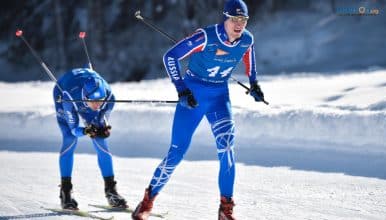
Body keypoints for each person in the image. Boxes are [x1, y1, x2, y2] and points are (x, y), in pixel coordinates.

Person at [131, 0, 265, 219]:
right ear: (225, 19)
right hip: (193, 96)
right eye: (234, 19)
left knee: (227, 148)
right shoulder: (206, 37)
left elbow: (249, 53)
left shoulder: (247, 39)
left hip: (219, 97)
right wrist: (182, 89)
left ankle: (225, 209)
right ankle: (148, 200)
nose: (239, 24)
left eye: (243, 20)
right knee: (177, 152)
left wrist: (254, 83)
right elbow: (170, 57)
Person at [53, 67, 127, 210]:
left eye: (100, 101)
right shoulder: (69, 97)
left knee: (100, 141)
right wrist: (86, 130)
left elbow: (103, 116)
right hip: (64, 89)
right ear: (86, 97)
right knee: (69, 139)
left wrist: (102, 127)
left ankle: (111, 191)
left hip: (83, 93)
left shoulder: (109, 97)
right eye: (93, 101)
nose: (97, 105)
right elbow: (74, 130)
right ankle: (66, 191)